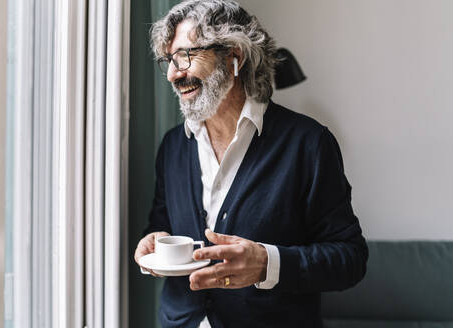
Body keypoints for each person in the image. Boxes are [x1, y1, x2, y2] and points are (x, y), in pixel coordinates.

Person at [134, 1, 368, 327]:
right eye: (169, 61)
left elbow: (350, 259)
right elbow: (162, 227)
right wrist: (152, 241)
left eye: (186, 55)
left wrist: (266, 264)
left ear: (234, 57)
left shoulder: (308, 143)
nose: (174, 73)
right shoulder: (173, 146)